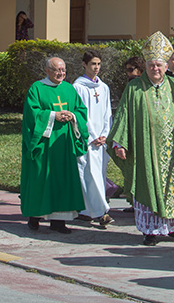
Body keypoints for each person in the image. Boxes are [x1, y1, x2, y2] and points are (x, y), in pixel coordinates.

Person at [108, 31, 174, 246]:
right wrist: (120, 142)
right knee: (149, 184)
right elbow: (123, 116)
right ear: (146, 66)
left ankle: (173, 227)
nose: (155, 69)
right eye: (151, 65)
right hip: (146, 149)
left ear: (166, 67)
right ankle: (151, 231)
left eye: (159, 65)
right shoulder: (134, 89)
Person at [20, 56, 89, 234]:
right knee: (41, 178)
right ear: (47, 71)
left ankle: (59, 222)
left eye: (63, 70)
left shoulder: (69, 88)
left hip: (64, 143)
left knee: (62, 180)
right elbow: (31, 114)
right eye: (57, 70)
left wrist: (72, 117)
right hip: (44, 144)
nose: (61, 73)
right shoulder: (37, 88)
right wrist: (53, 116)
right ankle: (35, 216)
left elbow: (81, 110)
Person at [73, 50, 113, 228]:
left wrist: (105, 133)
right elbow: (81, 115)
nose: (96, 68)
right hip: (88, 139)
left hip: (101, 140)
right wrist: (92, 135)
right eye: (92, 64)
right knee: (89, 175)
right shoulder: (78, 87)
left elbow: (107, 112)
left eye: (98, 64)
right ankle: (101, 211)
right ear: (84, 65)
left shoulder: (103, 87)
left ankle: (87, 211)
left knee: (99, 175)